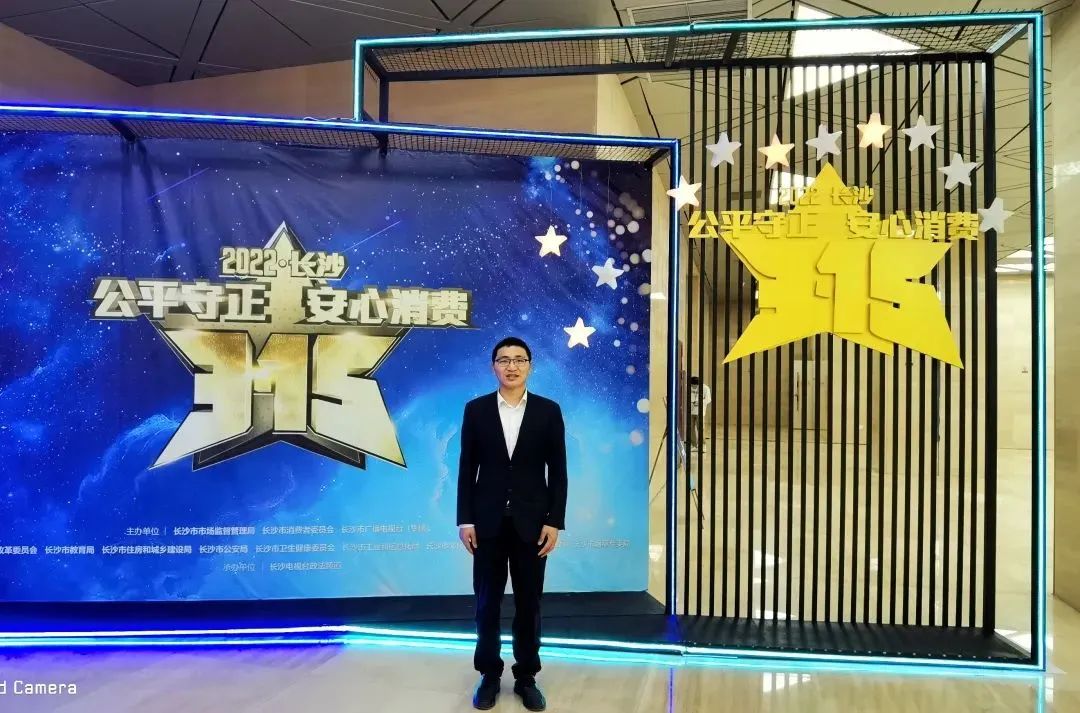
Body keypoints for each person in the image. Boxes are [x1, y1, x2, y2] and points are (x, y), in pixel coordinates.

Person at [457, 336, 568, 712]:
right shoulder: (476, 410)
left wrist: (554, 521)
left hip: (532, 524)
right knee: (486, 603)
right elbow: (466, 469)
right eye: (504, 360)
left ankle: (526, 677)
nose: (512, 366)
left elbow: (559, 471)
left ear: (530, 366)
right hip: (486, 524)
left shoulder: (548, 411)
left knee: (529, 603)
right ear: (493, 367)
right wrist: (465, 519)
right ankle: (489, 674)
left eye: (519, 360)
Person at [689, 375, 711, 452]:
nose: (693, 387)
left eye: (694, 386)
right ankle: (694, 445)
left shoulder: (705, 388)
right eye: (692, 386)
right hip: (690, 411)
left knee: (700, 429)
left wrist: (699, 402)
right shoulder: (688, 386)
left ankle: (703, 445)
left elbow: (708, 399)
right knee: (691, 429)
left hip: (700, 411)